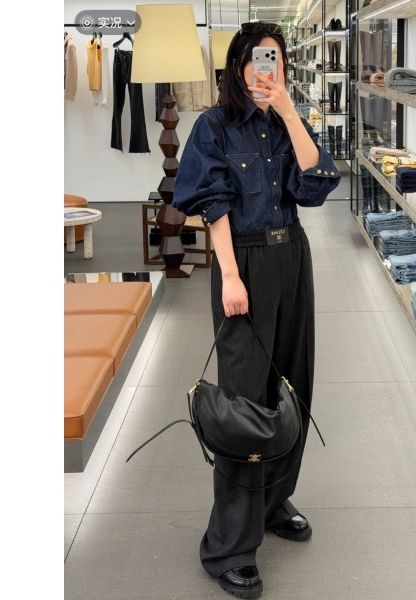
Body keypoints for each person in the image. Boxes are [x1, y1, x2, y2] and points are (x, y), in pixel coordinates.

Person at [172, 22, 341, 598]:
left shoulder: (287, 123)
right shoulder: (214, 126)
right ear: (237, 64)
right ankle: (228, 547)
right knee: (244, 401)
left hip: (292, 257)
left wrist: (289, 110)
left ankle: (272, 503)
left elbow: (315, 186)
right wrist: (230, 274)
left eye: (275, 58)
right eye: (255, 58)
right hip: (242, 261)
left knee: (293, 387)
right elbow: (211, 202)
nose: (265, 68)